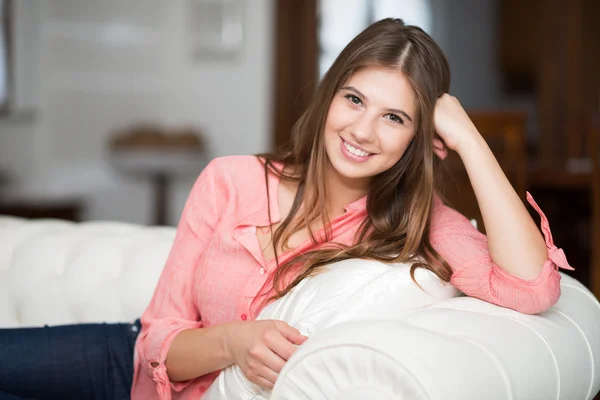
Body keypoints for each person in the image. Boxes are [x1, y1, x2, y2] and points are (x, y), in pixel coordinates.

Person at [0, 18, 573, 400]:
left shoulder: (417, 221)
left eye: (394, 118)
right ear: (330, 97)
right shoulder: (229, 179)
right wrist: (235, 342)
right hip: (120, 359)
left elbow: (532, 288)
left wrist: (470, 139)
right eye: (354, 100)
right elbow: (157, 340)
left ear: (418, 136)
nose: (363, 131)